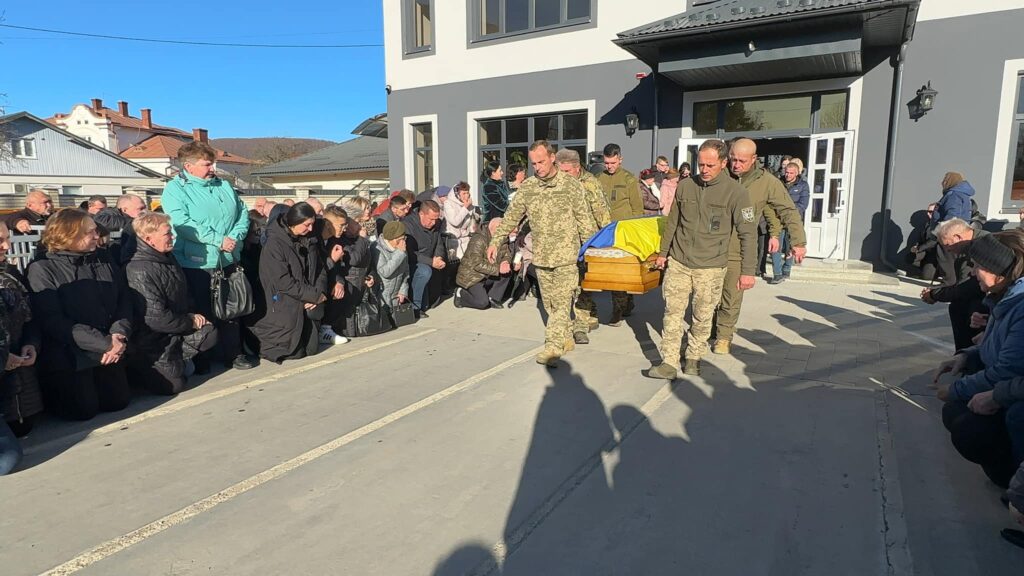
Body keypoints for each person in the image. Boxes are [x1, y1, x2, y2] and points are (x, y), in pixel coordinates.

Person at [647, 139, 757, 379]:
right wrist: (663, 254)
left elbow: (748, 233)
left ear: (724, 163)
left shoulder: (737, 193)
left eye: (710, 165)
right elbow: (672, 223)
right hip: (679, 261)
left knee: (702, 315)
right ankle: (668, 361)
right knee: (672, 312)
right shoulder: (686, 186)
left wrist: (748, 271)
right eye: (701, 164)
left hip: (711, 266)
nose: (704, 170)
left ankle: (694, 357)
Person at [488, 140, 598, 366]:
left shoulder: (571, 185)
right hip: (542, 257)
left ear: (552, 158)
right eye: (533, 163)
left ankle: (553, 346)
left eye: (540, 161)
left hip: (567, 257)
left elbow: (585, 220)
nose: (537, 166)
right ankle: (566, 338)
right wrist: (495, 241)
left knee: (561, 303)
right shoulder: (529, 187)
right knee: (549, 304)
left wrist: (592, 252)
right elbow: (511, 217)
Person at [936, 230, 1024, 488]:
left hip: (1013, 393)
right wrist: (965, 356)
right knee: (957, 412)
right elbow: (996, 349)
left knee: (971, 427)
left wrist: (956, 389)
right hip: (1009, 387)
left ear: (999, 272)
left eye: (978, 266)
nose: (973, 272)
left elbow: (1007, 371)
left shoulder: (1019, 304)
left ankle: (1015, 485)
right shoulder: (1004, 298)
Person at [27, 209, 132, 420]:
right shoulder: (42, 267)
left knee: (117, 402)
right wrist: (102, 343)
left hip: (109, 344)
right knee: (83, 411)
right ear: (67, 235)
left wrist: (118, 334)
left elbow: (124, 299)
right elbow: (52, 320)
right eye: (89, 232)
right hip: (71, 351)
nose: (96, 236)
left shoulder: (102, 258)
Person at [161, 142, 257, 370]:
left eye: (212, 163)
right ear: (189, 166)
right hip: (198, 263)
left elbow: (242, 213)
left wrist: (234, 237)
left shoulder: (223, 185)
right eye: (206, 164)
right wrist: (216, 239)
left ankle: (234, 353)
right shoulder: (175, 189)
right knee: (205, 310)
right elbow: (182, 223)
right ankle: (203, 356)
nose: (212, 168)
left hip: (229, 258)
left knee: (232, 308)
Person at [712, 138, 807, 355]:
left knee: (731, 294)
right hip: (711, 246)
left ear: (754, 159)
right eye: (733, 159)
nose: (736, 165)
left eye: (742, 161)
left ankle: (724, 336)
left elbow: (787, 211)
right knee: (707, 294)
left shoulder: (767, 182)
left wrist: (798, 241)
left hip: (740, 247)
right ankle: (708, 327)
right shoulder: (719, 173)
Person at [125, 212, 219, 395]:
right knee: (174, 386)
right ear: (149, 239)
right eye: (167, 234)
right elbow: (155, 318)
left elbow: (184, 294)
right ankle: (148, 369)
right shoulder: (138, 269)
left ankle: (178, 359)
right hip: (152, 338)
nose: (172, 237)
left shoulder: (168, 258)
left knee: (209, 332)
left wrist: (192, 316)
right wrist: (189, 322)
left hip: (176, 327)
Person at [253, 202, 330, 362]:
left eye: (312, 225)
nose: (310, 229)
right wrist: (312, 296)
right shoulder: (274, 245)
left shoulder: (310, 239)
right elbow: (283, 282)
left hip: (308, 299)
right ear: (294, 222)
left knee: (311, 349)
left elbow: (320, 269)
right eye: (307, 225)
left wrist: (319, 292)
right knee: (294, 352)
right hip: (284, 302)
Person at [555, 148, 611, 343]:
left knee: (582, 284)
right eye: (560, 172)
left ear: (577, 168)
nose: (563, 176)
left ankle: (580, 326)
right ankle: (586, 316)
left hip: (585, 241)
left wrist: (603, 243)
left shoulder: (590, 185)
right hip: (563, 242)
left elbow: (602, 214)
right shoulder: (557, 185)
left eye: (567, 172)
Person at [0, 222, 43, 438]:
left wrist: (31, 343)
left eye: (7, 238)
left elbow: (29, 316)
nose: (7, 246)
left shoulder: (11, 274)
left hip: (21, 373)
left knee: (23, 427)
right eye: (0, 240)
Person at [920, 218, 988, 350]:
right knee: (958, 306)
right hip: (984, 292)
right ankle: (963, 354)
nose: (947, 250)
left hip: (998, 296)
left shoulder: (982, 245)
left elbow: (969, 287)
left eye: (947, 245)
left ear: (957, 237)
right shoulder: (969, 247)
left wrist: (935, 294)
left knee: (972, 310)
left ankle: (968, 357)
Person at [596, 143, 644, 326]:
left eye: (613, 162)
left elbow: (637, 208)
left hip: (625, 231)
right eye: (607, 162)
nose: (609, 166)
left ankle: (621, 306)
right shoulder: (599, 179)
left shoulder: (629, 179)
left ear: (620, 159)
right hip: (606, 231)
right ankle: (621, 306)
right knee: (612, 272)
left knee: (622, 271)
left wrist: (635, 232)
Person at [456, 217, 514, 310]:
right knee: (482, 303)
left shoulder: (502, 238)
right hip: (473, 275)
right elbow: (477, 264)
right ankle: (461, 294)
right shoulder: (478, 239)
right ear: (494, 229)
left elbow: (507, 253)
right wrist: (498, 269)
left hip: (489, 272)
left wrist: (505, 262)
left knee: (507, 270)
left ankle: (493, 297)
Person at [769, 161, 811, 283]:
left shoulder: (802, 185)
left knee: (790, 247)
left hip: (793, 220)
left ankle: (787, 269)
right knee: (776, 246)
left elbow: (803, 205)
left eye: (791, 173)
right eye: (786, 172)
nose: (787, 175)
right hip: (778, 220)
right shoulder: (778, 183)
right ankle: (777, 274)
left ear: (796, 173)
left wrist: (789, 213)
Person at [403, 199, 446, 317]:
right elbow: (410, 252)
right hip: (413, 262)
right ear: (421, 214)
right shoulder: (408, 225)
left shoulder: (436, 224)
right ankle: (415, 306)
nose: (434, 222)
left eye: (436, 219)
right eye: (431, 219)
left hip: (430, 260)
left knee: (432, 302)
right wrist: (431, 262)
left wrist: (439, 257)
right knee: (424, 271)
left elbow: (439, 243)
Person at [372, 221, 410, 309]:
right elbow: (385, 272)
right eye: (399, 240)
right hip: (381, 297)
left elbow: (406, 271)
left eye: (404, 238)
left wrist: (403, 291)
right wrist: (400, 253)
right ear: (390, 239)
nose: (402, 242)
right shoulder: (377, 249)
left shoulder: (401, 248)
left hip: (396, 297)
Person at [444, 181, 478, 260]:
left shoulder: (469, 205)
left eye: (467, 193)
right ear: (457, 194)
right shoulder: (448, 203)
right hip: (452, 241)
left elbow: (471, 225)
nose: (466, 196)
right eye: (464, 193)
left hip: (466, 240)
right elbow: (455, 222)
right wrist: (465, 208)